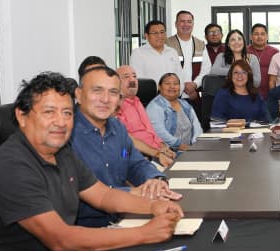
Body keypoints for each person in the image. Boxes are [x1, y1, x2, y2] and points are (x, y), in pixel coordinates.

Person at [0, 72, 183, 251]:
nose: (61, 122)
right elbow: (61, 239)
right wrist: (144, 233)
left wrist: (153, 206)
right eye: (49, 112)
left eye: (67, 113)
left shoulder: (62, 153)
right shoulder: (11, 166)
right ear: (22, 116)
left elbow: (103, 196)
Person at [71, 66, 181, 228]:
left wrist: (155, 180)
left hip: (127, 217)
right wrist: (133, 192)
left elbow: (135, 163)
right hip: (87, 229)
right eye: (97, 91)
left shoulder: (117, 127)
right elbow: (80, 192)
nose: (106, 99)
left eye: (113, 92)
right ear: (79, 95)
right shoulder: (65, 134)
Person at [114, 65, 174, 167]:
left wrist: (163, 146)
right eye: (126, 77)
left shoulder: (138, 101)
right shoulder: (115, 107)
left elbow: (150, 131)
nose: (132, 80)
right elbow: (125, 143)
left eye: (134, 76)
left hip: (158, 152)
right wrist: (156, 153)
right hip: (143, 157)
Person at [146, 72, 204, 150]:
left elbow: (197, 127)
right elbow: (159, 132)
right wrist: (179, 145)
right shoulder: (155, 107)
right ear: (159, 87)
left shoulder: (185, 104)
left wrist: (195, 145)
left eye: (176, 84)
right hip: (168, 152)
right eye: (167, 83)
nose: (172, 86)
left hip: (190, 150)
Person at [130, 19, 183, 85]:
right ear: (146, 36)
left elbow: (180, 76)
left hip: (173, 91)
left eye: (162, 32)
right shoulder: (138, 54)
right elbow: (138, 80)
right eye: (155, 33)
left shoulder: (172, 52)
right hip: (150, 91)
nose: (159, 36)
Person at [164, 10, 202, 99]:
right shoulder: (166, 44)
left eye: (189, 21)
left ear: (193, 24)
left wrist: (195, 85)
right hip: (172, 94)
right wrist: (182, 86)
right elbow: (164, 69)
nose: (186, 24)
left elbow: (206, 69)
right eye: (182, 21)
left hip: (194, 95)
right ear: (176, 24)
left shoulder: (201, 44)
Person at [246, 23, 279, 98]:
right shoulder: (245, 51)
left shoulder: (275, 52)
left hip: (269, 94)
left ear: (267, 36)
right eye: (256, 34)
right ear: (251, 37)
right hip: (249, 93)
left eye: (262, 34)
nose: (259, 37)